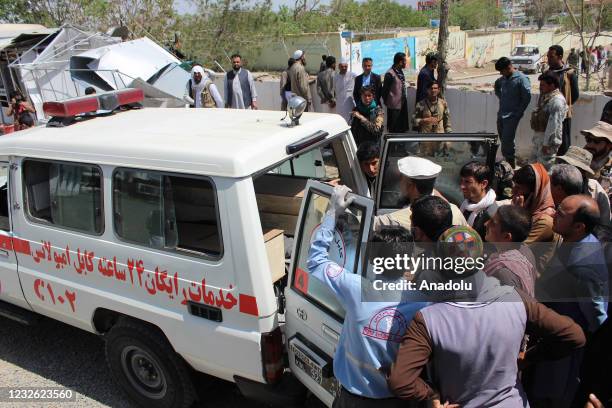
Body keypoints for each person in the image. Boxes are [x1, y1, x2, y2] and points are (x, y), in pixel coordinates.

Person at [388, 200, 586, 407]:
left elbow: (400, 380)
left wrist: (431, 395)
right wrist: (529, 358)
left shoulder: (428, 320)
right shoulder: (516, 299)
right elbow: (574, 335)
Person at [307, 185, 427, 407]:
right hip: (398, 400)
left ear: (371, 258)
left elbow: (316, 261)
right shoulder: (423, 302)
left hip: (352, 399)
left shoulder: (355, 288)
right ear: (409, 261)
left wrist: (333, 212)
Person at [527, 195, 608, 407]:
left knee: (552, 395)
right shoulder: (575, 241)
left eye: (561, 214)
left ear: (579, 226)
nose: (553, 214)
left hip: (567, 345)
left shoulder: (583, 265)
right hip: (556, 333)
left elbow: (596, 314)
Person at [373, 156, 467, 231]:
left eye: (401, 178)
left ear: (411, 185)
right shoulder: (455, 211)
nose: (399, 182)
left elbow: (367, 223)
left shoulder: (395, 220)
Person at [512, 163, 558, 273]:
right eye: (514, 186)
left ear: (535, 193)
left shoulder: (544, 221)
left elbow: (512, 249)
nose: (513, 192)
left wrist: (517, 214)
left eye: (518, 188)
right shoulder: (531, 211)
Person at [484, 204, 537, 296]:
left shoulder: (503, 273)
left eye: (493, 223)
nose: (486, 224)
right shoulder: (525, 250)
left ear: (506, 236)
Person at [555, 146, 611, 226]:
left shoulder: (596, 190)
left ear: (583, 172)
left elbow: (605, 225)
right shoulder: (553, 183)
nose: (567, 170)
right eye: (565, 165)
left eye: (574, 168)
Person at [494, 57, 532, 168]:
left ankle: (510, 166)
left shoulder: (521, 79)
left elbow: (526, 98)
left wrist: (518, 113)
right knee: (504, 140)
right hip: (502, 114)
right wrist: (501, 97)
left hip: (512, 116)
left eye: (502, 70)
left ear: (509, 67)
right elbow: (497, 85)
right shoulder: (503, 79)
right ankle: (507, 163)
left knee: (507, 142)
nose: (501, 73)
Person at [545, 45, 580, 156]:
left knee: (563, 142)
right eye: (548, 56)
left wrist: (562, 107)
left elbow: (575, 95)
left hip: (563, 115)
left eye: (551, 57)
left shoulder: (569, 74)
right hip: (547, 114)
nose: (548, 59)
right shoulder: (547, 74)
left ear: (560, 57)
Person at [530, 72, 569, 168]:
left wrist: (546, 144)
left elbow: (554, 125)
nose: (540, 87)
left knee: (545, 168)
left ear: (551, 85)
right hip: (540, 139)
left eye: (543, 85)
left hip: (547, 141)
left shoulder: (557, 101)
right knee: (535, 167)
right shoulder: (547, 97)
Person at [459, 161, 497, 239]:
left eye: (467, 182)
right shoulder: (466, 204)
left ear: (483, 184)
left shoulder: (491, 214)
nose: (462, 186)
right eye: (461, 181)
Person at [413, 81, 452, 156]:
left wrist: (449, 138)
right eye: (431, 88)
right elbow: (413, 120)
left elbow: (447, 122)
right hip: (426, 140)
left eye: (435, 88)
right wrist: (424, 120)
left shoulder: (443, 103)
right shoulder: (421, 104)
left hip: (440, 139)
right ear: (427, 90)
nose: (433, 90)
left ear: (439, 90)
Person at [382, 52, 409, 133]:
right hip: (394, 108)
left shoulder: (400, 71)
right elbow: (384, 92)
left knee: (402, 127)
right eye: (405, 61)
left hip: (402, 104)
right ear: (400, 62)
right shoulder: (390, 74)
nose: (406, 63)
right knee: (394, 128)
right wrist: (390, 103)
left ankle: (401, 145)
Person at [582, 121, 612, 190]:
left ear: (609, 145)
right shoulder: (575, 160)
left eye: (597, 141)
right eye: (588, 140)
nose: (590, 145)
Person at [334, 58, 356, 124]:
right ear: (338, 67)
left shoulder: (353, 75)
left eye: (345, 66)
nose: (344, 68)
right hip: (340, 104)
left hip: (350, 103)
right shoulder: (335, 77)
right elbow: (333, 90)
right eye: (342, 66)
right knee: (341, 121)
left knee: (351, 120)